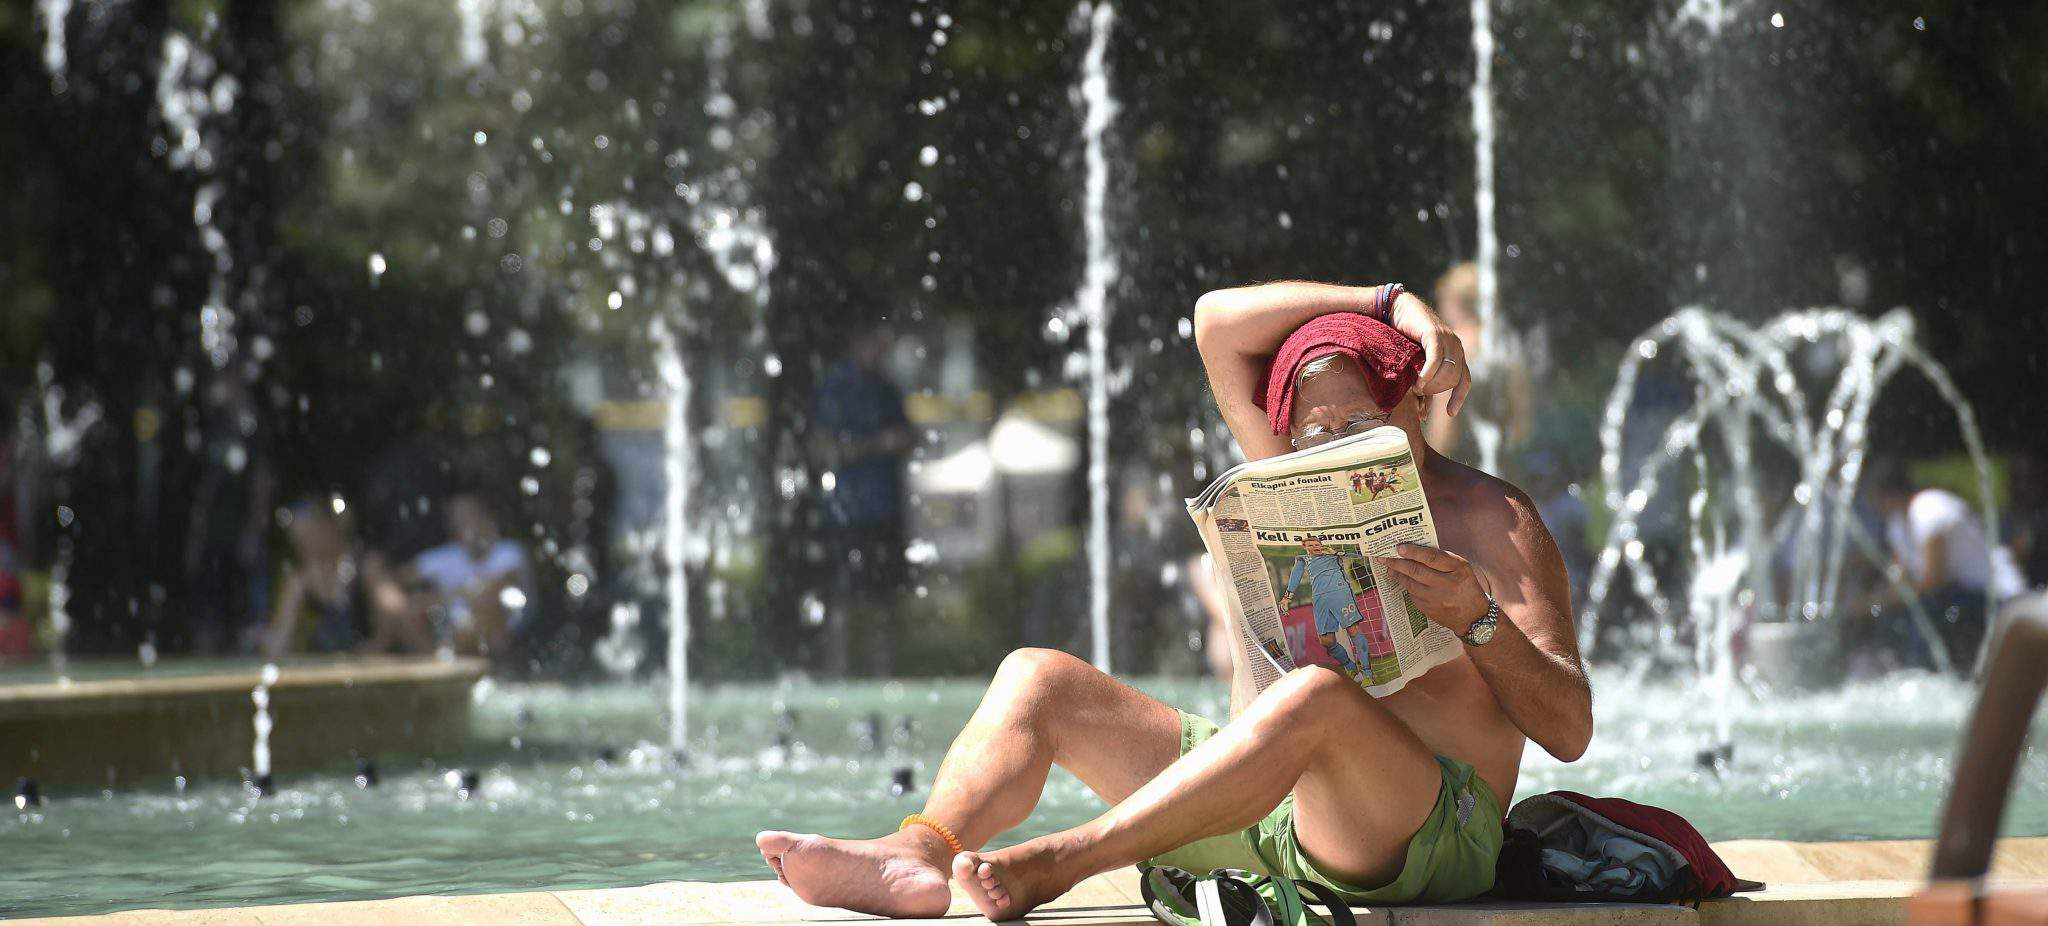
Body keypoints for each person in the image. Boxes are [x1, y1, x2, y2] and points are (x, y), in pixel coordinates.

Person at [757, 280, 1590, 917]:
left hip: (1430, 837)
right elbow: (1215, 321)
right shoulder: (1286, 474)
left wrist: (1478, 620)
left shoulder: (1496, 517)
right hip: (1273, 812)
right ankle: (919, 852)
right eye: (1317, 433)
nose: (1339, 446)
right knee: (1036, 679)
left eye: (1364, 423)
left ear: (1412, 400)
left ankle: (1068, 859)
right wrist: (1391, 300)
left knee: (1315, 697)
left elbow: (1570, 728)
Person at [810, 327, 916, 676]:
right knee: (842, 595)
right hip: (847, 510)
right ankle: (837, 671)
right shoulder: (835, 387)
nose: (880, 348)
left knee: (883, 597)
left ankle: (884, 672)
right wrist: (876, 445)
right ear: (856, 340)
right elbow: (823, 448)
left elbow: (906, 437)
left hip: (883, 508)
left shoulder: (885, 388)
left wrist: (894, 442)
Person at [1862, 459, 2024, 673]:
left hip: (1995, 596)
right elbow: (1899, 577)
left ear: (1886, 494)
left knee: (1927, 610)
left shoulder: (1929, 508)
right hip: (1956, 596)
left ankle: (1924, 672)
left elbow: (1933, 580)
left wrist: (1882, 600)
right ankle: (1887, 670)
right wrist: (1875, 602)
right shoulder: (1897, 523)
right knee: (1894, 616)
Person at [374, 491, 532, 658]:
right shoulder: (445, 557)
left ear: (487, 517)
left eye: (470, 515)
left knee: (486, 609)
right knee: (406, 607)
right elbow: (395, 578)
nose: (464, 523)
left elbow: (493, 591)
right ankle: (435, 662)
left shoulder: (509, 553)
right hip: (452, 633)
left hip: (498, 634)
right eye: (457, 518)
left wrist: (433, 600)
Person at [1423, 263, 1532, 470]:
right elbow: (1521, 418)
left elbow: (1445, 426)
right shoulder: (1507, 344)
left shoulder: (1454, 347)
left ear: (1455, 301)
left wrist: (1427, 468)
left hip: (1462, 469)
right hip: (1503, 467)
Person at [261, 498, 378, 657]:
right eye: (298, 543)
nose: (303, 549)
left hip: (370, 663)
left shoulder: (366, 565)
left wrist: (367, 655)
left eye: (308, 538)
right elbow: (279, 642)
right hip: (324, 665)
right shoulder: (301, 582)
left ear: (328, 528)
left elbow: (389, 623)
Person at [1279, 534, 1369, 683]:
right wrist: (1287, 597)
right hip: (1320, 599)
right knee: (1327, 641)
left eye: (1317, 544)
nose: (1315, 547)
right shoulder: (1303, 559)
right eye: (1311, 545)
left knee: (1353, 630)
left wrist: (1338, 552)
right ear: (1305, 548)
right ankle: (1351, 667)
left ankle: (1367, 673)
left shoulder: (1332, 553)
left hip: (1340, 593)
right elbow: (1296, 574)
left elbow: (1359, 554)